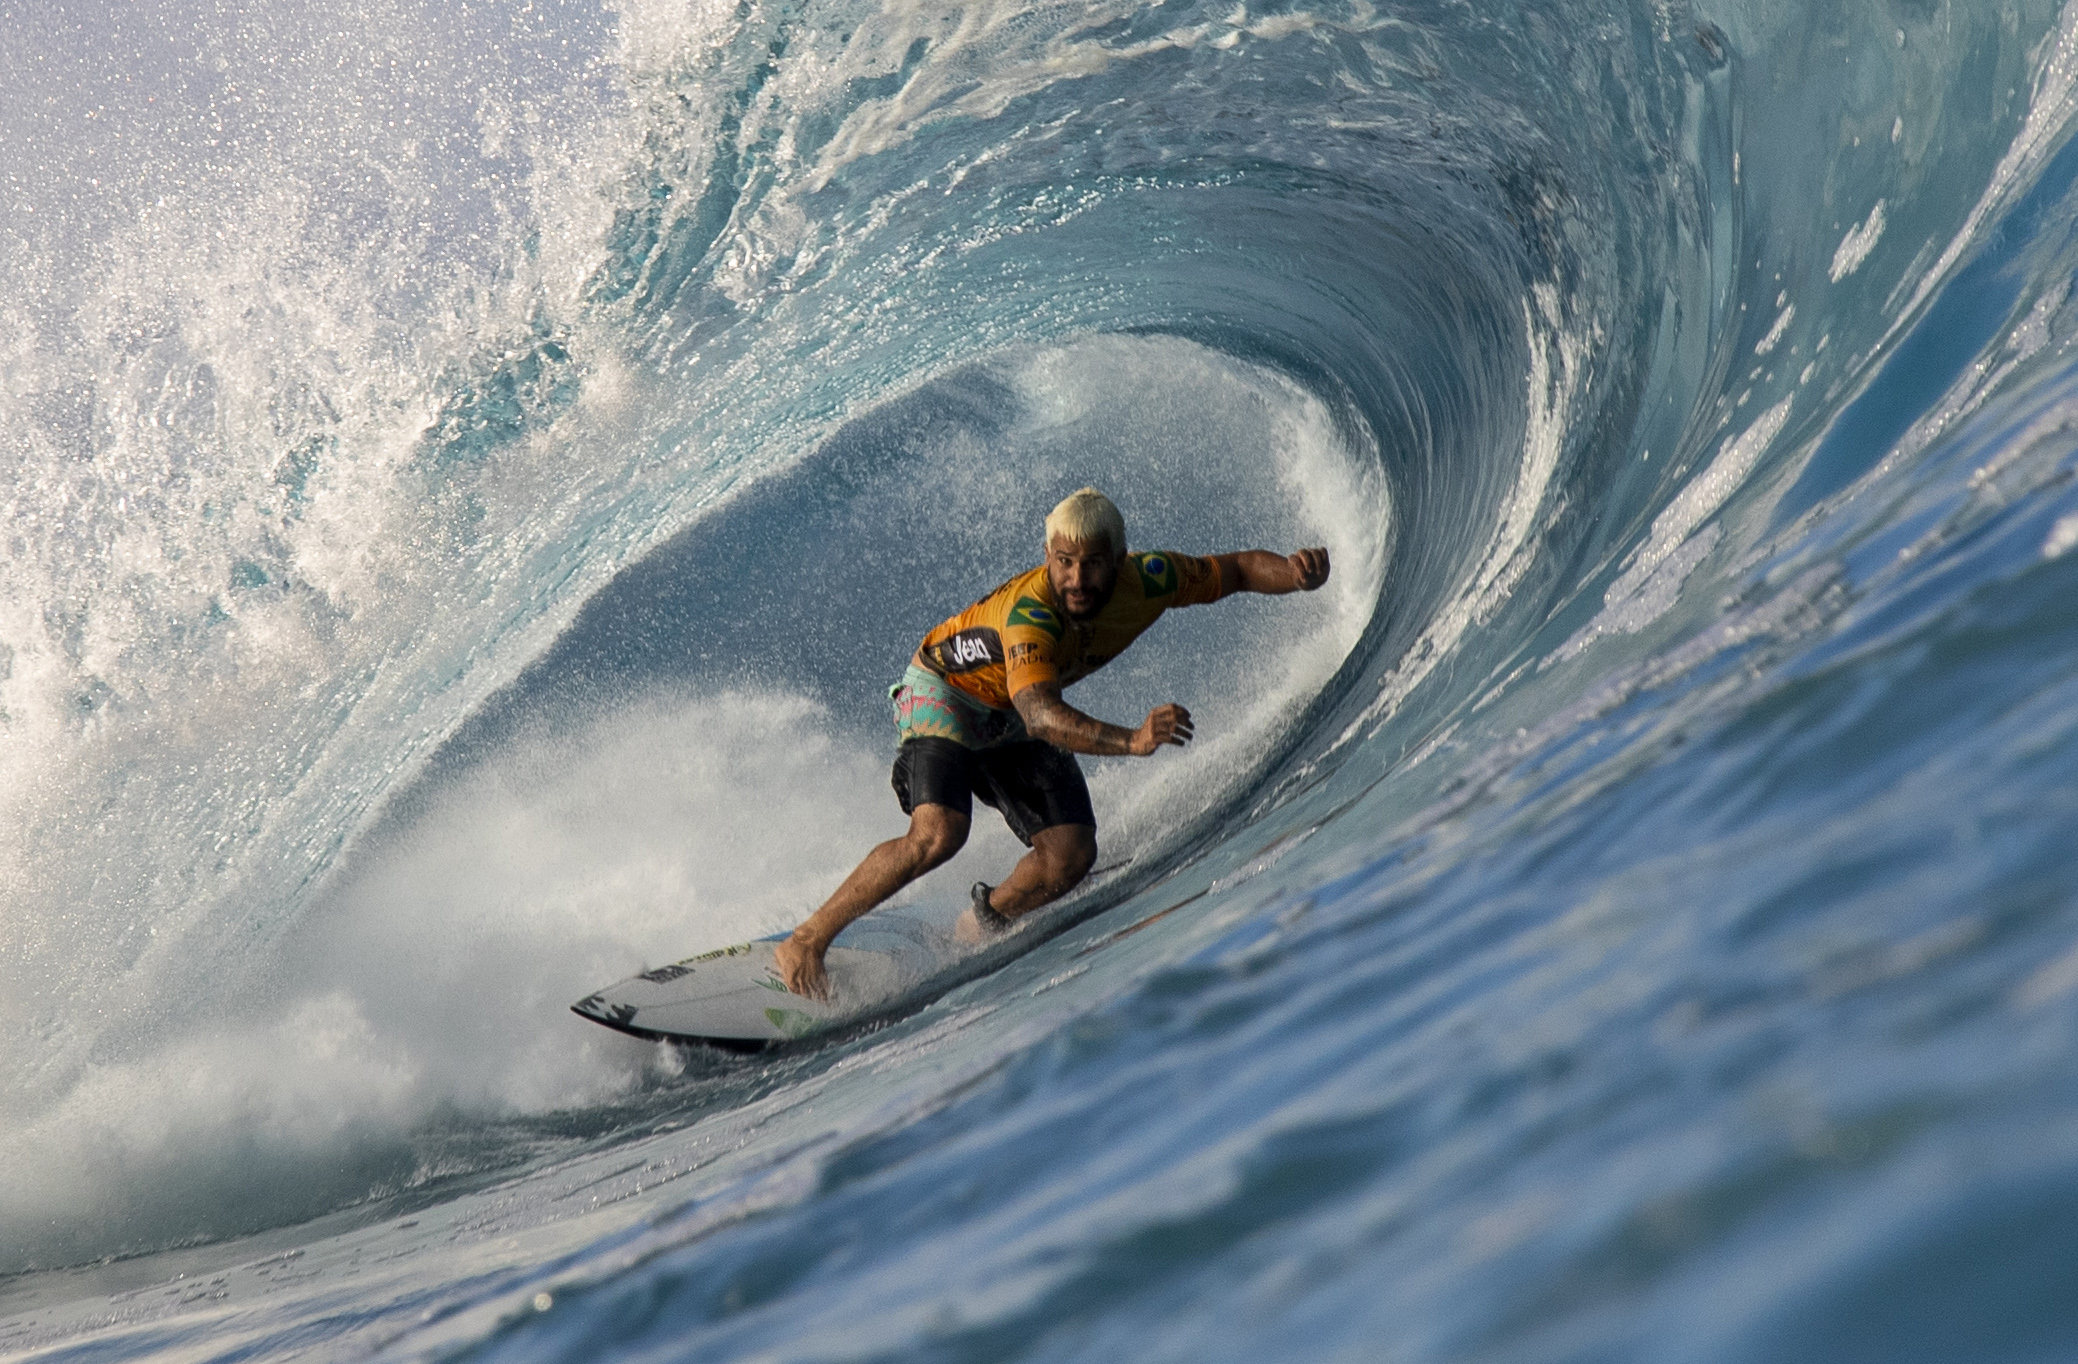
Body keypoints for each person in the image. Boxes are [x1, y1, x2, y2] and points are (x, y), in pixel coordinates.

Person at [773, 487, 1331, 1001]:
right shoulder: (1031, 616)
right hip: (945, 692)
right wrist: (1131, 741)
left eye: (1092, 564)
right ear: (1048, 556)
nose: (1077, 579)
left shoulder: (1152, 577)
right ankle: (806, 940)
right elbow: (1041, 716)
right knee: (941, 832)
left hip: (1012, 711)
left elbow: (1231, 570)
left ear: (1119, 558)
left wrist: (1291, 572)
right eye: (1064, 562)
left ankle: (979, 923)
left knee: (1070, 858)